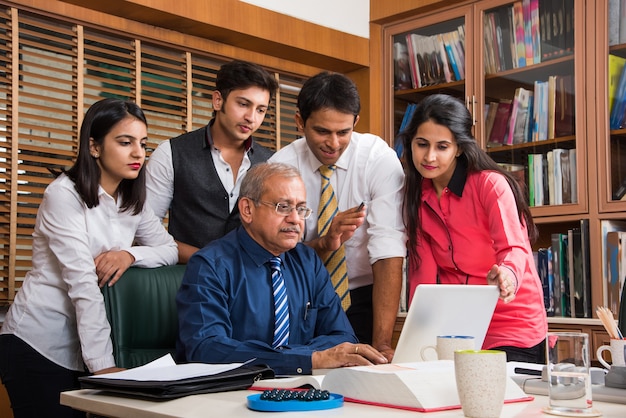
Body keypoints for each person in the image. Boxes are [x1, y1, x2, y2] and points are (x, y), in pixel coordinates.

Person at [0, 98, 178, 418]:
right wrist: (104, 367)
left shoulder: (132, 199)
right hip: (38, 342)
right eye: (125, 142)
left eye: (142, 143)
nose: (138, 153)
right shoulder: (63, 194)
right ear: (94, 147)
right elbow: (83, 284)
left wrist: (129, 254)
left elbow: (169, 250)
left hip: (84, 348)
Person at [176, 162, 388, 375]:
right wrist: (305, 358)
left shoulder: (308, 262)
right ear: (247, 210)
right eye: (283, 207)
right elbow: (207, 348)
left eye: (301, 209)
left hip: (303, 387)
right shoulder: (210, 266)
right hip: (230, 393)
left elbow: (343, 336)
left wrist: (295, 359)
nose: (295, 219)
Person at [400, 94, 548, 363]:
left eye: (442, 146)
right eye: (422, 144)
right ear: (410, 143)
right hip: (459, 328)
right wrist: (415, 338)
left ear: (458, 147)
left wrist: (506, 276)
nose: (429, 156)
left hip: (511, 324)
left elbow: (514, 248)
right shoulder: (416, 197)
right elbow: (422, 276)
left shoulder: (490, 185)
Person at [269, 72, 406, 361]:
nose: (333, 143)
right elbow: (276, 255)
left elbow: (388, 247)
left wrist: (382, 342)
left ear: (355, 123)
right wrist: (324, 242)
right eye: (322, 131)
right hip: (302, 297)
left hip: (366, 294)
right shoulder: (279, 168)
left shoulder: (376, 158)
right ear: (299, 121)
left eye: (343, 132)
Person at [146, 60, 279, 263]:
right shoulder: (171, 153)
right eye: (243, 104)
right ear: (218, 101)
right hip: (188, 280)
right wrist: (207, 259)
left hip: (250, 283)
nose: (251, 117)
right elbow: (145, 230)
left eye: (261, 110)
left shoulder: (271, 163)